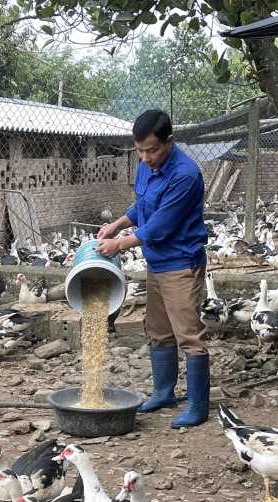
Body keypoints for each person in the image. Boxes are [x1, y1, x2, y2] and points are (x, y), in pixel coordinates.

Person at [96, 109, 209, 428]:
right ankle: (164, 391)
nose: (145, 157)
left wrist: (119, 245)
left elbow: (160, 224)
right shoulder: (148, 166)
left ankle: (198, 406)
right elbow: (143, 206)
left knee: (188, 334)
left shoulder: (185, 175)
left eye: (152, 150)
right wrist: (117, 225)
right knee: (158, 330)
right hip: (156, 262)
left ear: (169, 141)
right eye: (140, 150)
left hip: (181, 263)